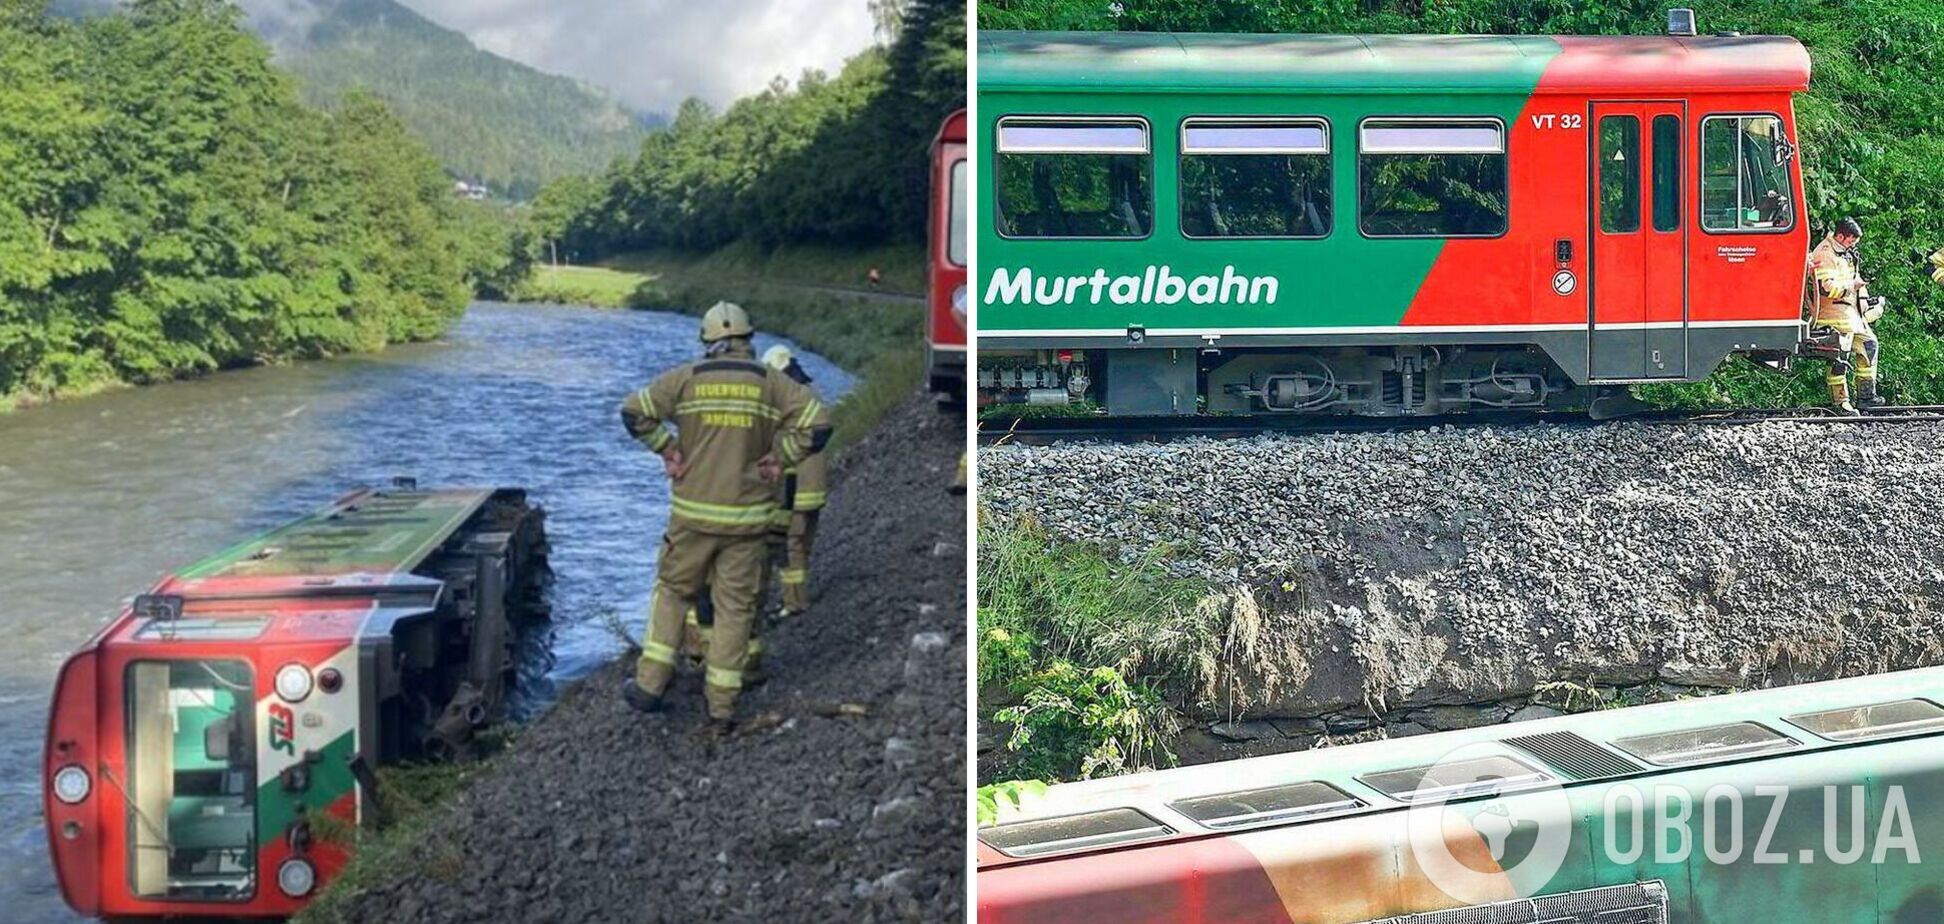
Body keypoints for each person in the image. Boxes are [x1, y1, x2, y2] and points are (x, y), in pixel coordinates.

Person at [619, 301, 830, 730]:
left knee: (674, 593)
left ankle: (649, 684)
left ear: (708, 343)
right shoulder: (772, 384)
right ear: (748, 341)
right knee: (735, 609)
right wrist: (780, 457)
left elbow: (633, 412)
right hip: (748, 520)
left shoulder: (686, 379)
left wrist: (668, 449)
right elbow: (819, 422)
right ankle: (721, 708)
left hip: (691, 517)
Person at [761, 345, 828, 618]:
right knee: (803, 543)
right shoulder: (810, 396)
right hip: (816, 487)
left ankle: (794, 604)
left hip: (795, 486)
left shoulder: (786, 403)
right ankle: (798, 597)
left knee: (791, 546)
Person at [1807, 218, 1881, 414]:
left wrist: (1865, 299)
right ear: (1840, 236)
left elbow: (1855, 280)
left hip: (1851, 315)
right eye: (1851, 241)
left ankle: (1866, 396)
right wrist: (1851, 288)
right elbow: (1825, 288)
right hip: (1833, 316)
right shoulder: (1825, 254)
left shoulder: (1845, 252)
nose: (1853, 245)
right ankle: (1840, 403)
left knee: (1869, 345)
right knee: (1840, 358)